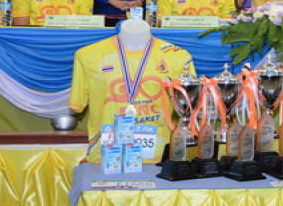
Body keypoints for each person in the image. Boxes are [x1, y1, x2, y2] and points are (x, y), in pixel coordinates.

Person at [69, 18, 195, 163]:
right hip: (107, 155)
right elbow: (77, 105)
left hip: (161, 155)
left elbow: (188, 109)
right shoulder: (87, 56)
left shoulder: (179, 57)